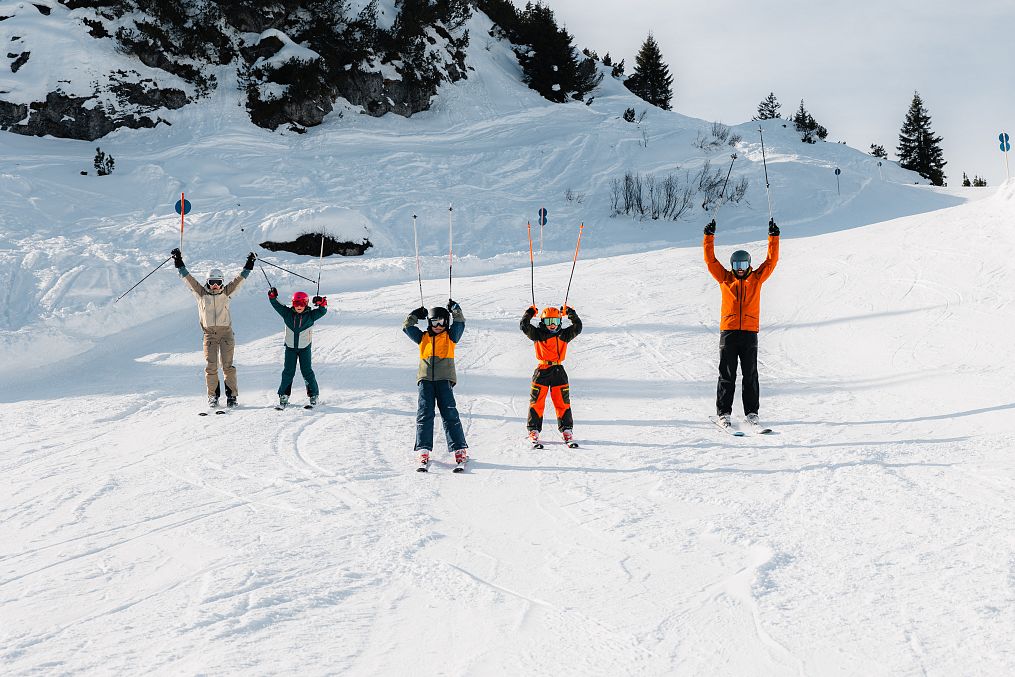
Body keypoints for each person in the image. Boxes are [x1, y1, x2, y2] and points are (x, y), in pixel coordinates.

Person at [703, 218, 780, 429]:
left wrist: (773, 237)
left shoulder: (756, 279)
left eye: (743, 265)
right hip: (728, 332)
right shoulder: (724, 279)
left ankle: (752, 414)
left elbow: (771, 261)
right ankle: (724, 414)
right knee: (727, 375)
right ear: (732, 266)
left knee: (750, 374)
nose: (739, 269)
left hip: (749, 333)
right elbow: (710, 261)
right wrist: (708, 237)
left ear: (748, 265)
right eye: (736, 265)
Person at [171, 248, 254, 408]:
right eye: (212, 282)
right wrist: (179, 263)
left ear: (222, 282)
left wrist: (249, 264)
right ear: (207, 282)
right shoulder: (201, 293)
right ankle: (213, 396)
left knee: (228, 366)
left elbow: (239, 280)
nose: (215, 286)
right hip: (209, 335)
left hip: (226, 335)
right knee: (211, 366)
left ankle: (232, 397)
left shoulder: (227, 292)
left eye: (218, 282)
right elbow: (188, 280)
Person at [402, 301, 468, 470]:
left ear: (446, 322)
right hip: (425, 381)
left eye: (441, 322)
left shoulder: (451, 336)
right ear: (429, 322)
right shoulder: (422, 337)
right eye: (434, 322)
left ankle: (459, 448)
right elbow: (407, 326)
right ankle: (423, 449)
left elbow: (460, 323)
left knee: (449, 413)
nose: (438, 326)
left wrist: (455, 310)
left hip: (444, 379)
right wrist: (416, 314)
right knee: (424, 414)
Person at [520, 305, 583, 446]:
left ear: (560, 321)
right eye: (548, 322)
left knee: (562, 402)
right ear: (543, 322)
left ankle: (567, 430)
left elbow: (578, 327)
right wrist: (530, 312)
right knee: (537, 402)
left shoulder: (564, 335)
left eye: (555, 321)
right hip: (542, 371)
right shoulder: (537, 334)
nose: (552, 325)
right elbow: (524, 326)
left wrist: (570, 313)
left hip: (558, 371)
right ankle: (533, 430)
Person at [268, 288, 328, 408]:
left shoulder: (311, 316)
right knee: (288, 372)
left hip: (305, 348)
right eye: (296, 304)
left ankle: (313, 395)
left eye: (301, 304)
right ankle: (284, 395)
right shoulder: (287, 314)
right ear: (293, 303)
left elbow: (322, 311)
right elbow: (276, 305)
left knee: (307, 372)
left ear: (306, 304)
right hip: (290, 349)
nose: (299, 306)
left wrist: (321, 302)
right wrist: (272, 296)